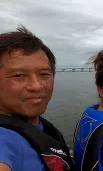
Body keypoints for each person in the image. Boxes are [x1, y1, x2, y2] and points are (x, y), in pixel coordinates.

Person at [0, 26, 75, 171]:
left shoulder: (41, 127)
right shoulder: (5, 141)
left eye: (44, 74)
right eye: (19, 75)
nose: (37, 86)